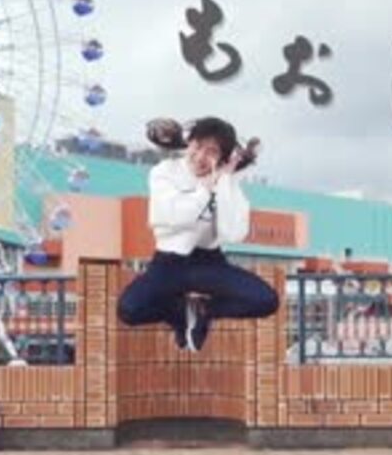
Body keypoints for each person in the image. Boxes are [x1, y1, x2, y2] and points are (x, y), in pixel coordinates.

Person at [117, 116, 279, 351]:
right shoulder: (165, 172)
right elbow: (169, 217)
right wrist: (205, 190)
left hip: (209, 262)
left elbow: (234, 233)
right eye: (198, 146)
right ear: (189, 142)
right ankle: (178, 313)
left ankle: (204, 310)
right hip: (169, 263)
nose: (201, 156)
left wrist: (224, 181)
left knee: (266, 300)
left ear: (222, 158)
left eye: (212, 151)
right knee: (128, 310)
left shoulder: (225, 181)